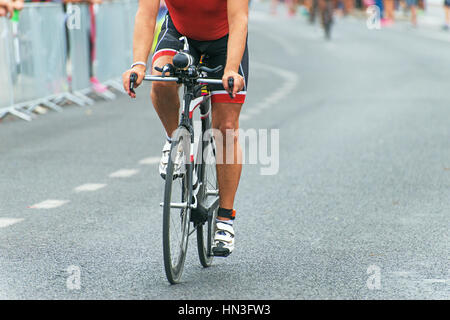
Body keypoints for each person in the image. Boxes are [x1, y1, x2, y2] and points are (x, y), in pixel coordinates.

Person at [122, 0, 249, 257]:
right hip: (180, 35)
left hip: (224, 41)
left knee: (225, 127)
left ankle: (224, 219)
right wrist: (137, 64)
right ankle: (176, 141)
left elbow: (239, 20)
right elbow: (146, 15)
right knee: (161, 85)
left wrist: (232, 69)